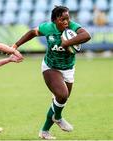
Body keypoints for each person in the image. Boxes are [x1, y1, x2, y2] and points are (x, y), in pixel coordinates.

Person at [12, 6, 91, 140]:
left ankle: (44, 131)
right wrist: (15, 45)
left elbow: (86, 35)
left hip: (68, 68)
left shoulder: (72, 26)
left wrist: (67, 43)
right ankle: (58, 118)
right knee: (62, 94)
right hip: (50, 67)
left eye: (67, 18)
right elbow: (32, 32)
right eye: (62, 19)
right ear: (55, 20)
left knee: (60, 101)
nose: (66, 22)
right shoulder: (47, 27)